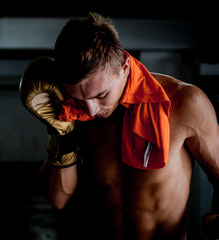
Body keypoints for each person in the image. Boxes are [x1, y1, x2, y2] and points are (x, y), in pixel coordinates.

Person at [20, 12, 219, 239]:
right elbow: (57, 199)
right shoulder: (76, 113)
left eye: (101, 95)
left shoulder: (186, 103)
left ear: (124, 67)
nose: (91, 110)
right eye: (79, 98)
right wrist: (60, 133)